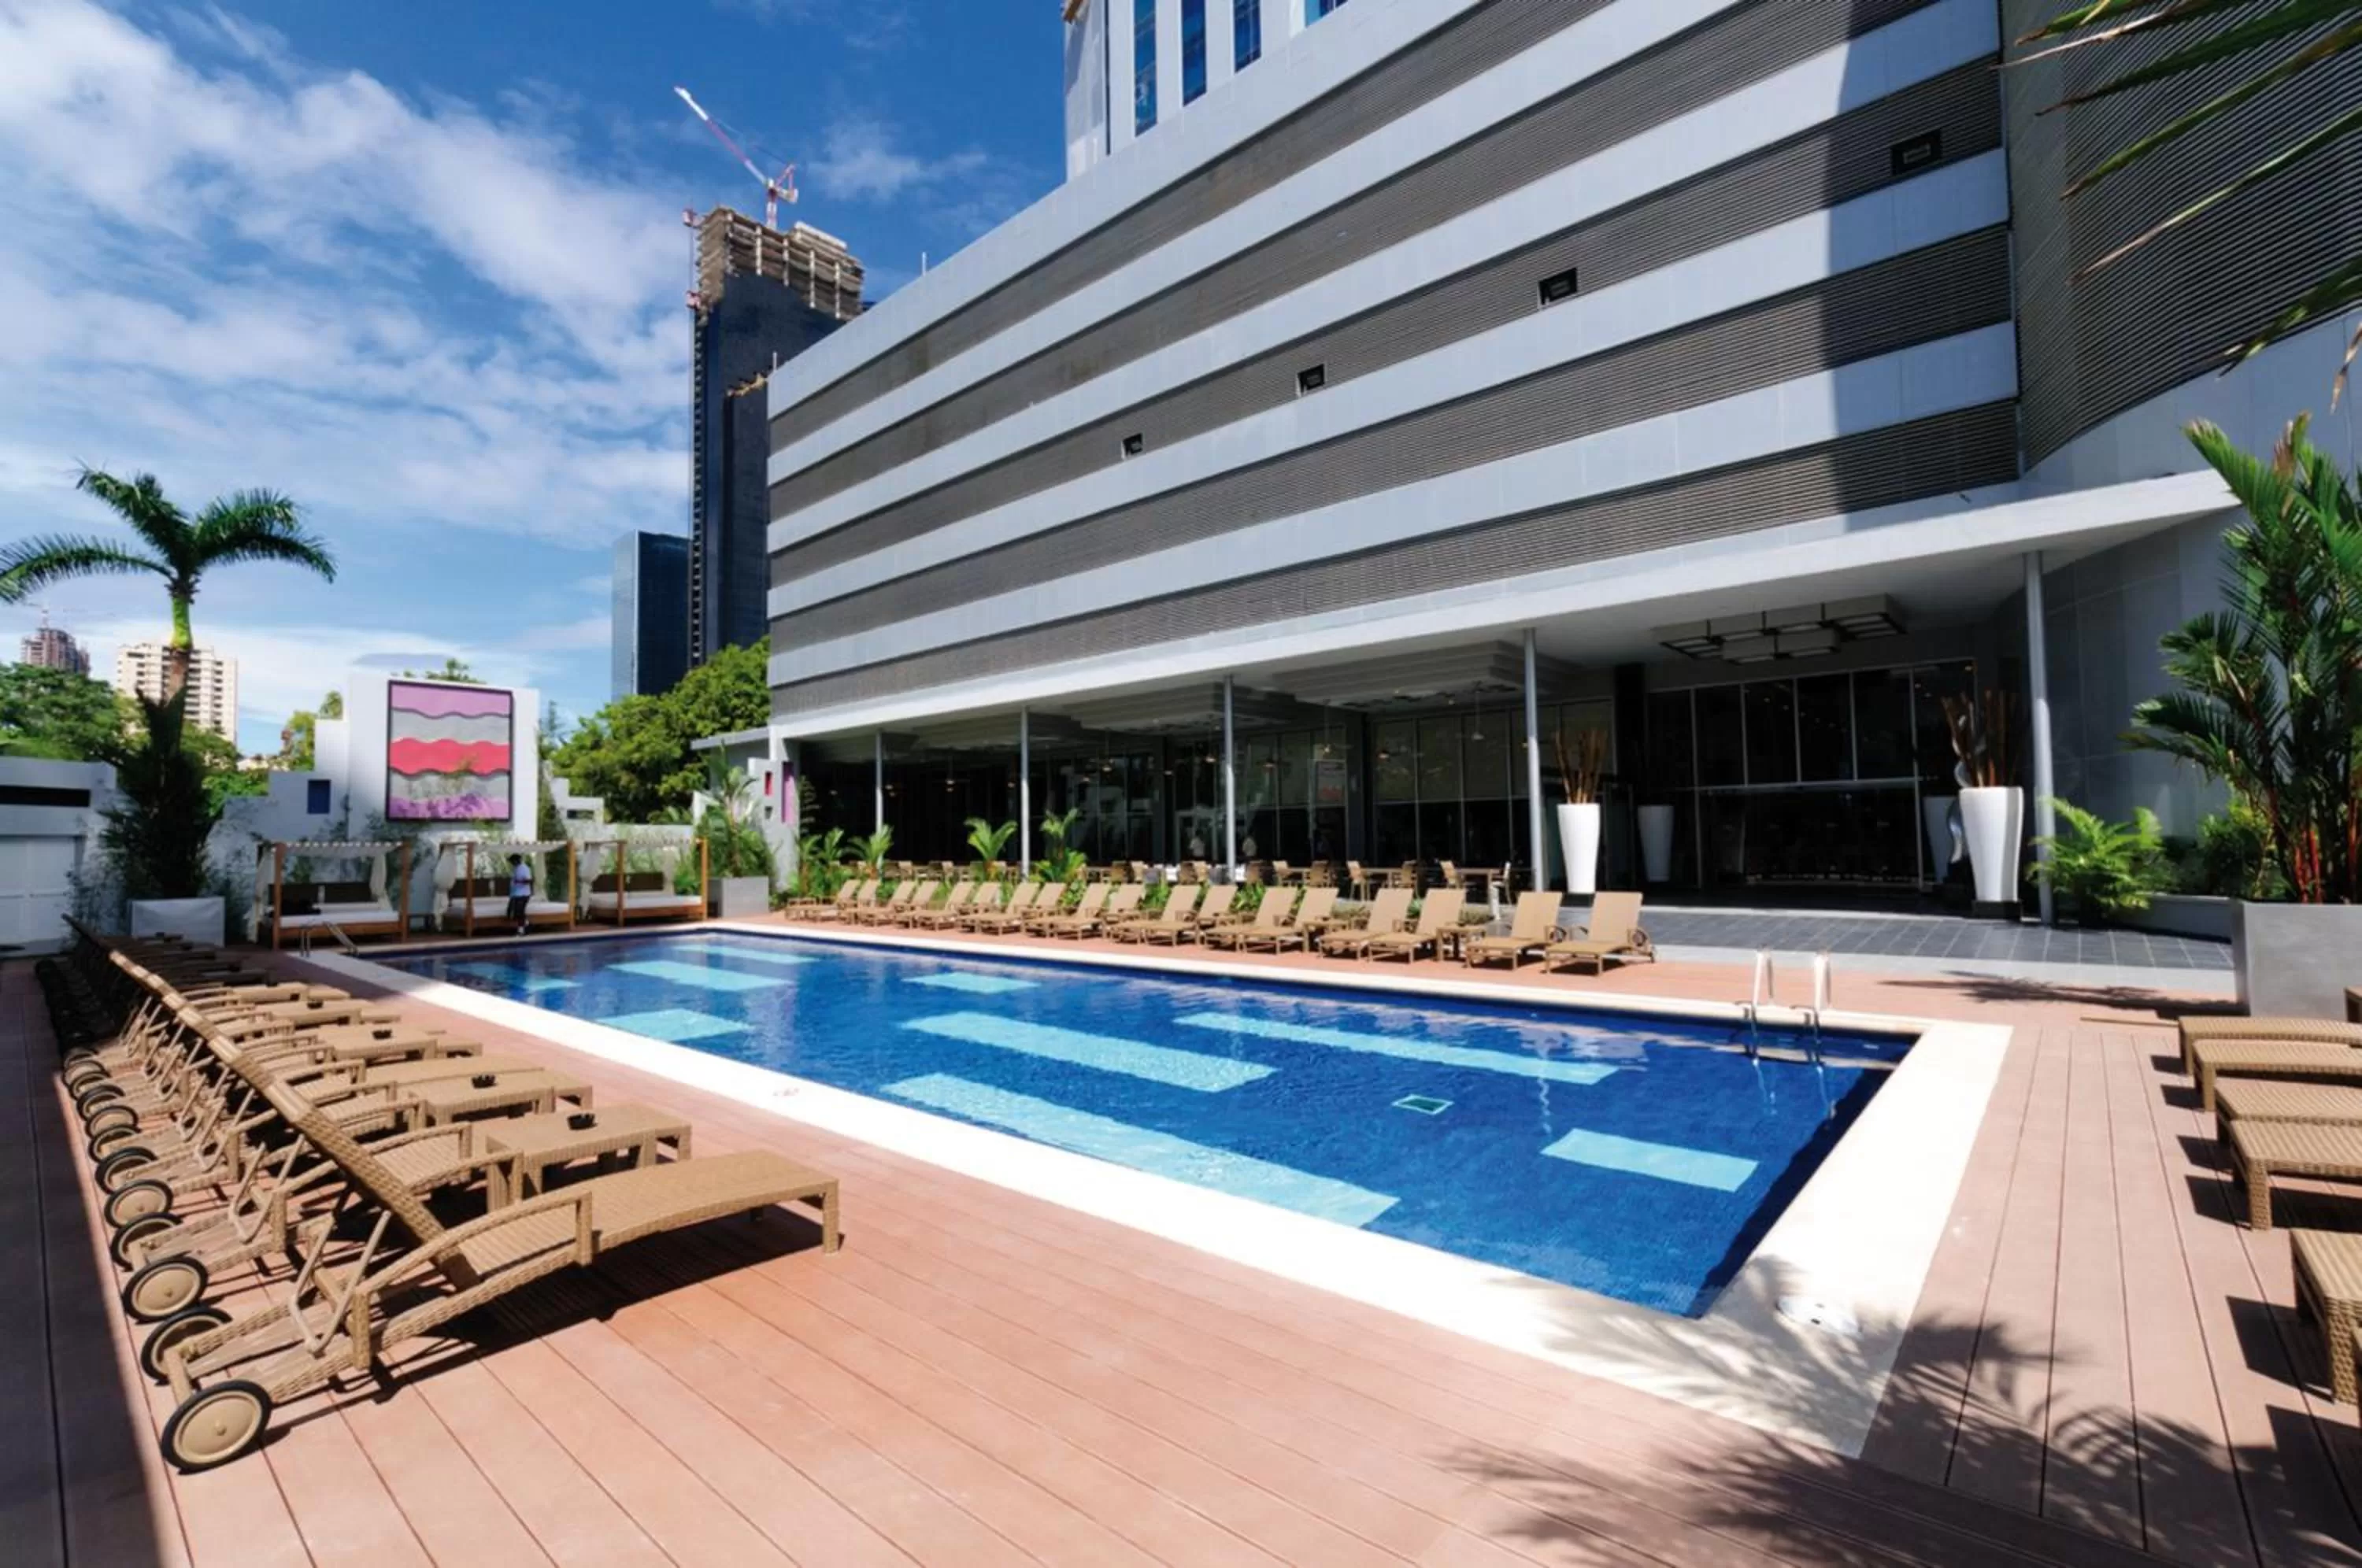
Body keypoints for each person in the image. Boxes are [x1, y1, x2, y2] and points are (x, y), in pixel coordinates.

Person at [505, 852, 534, 936]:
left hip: (523, 894)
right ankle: (528, 925)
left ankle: (521, 931)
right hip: (516, 894)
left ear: (516, 861)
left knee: (520, 912)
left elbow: (529, 881)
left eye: (512, 861)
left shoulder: (524, 869)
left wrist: (518, 881)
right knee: (514, 913)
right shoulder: (516, 868)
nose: (511, 863)